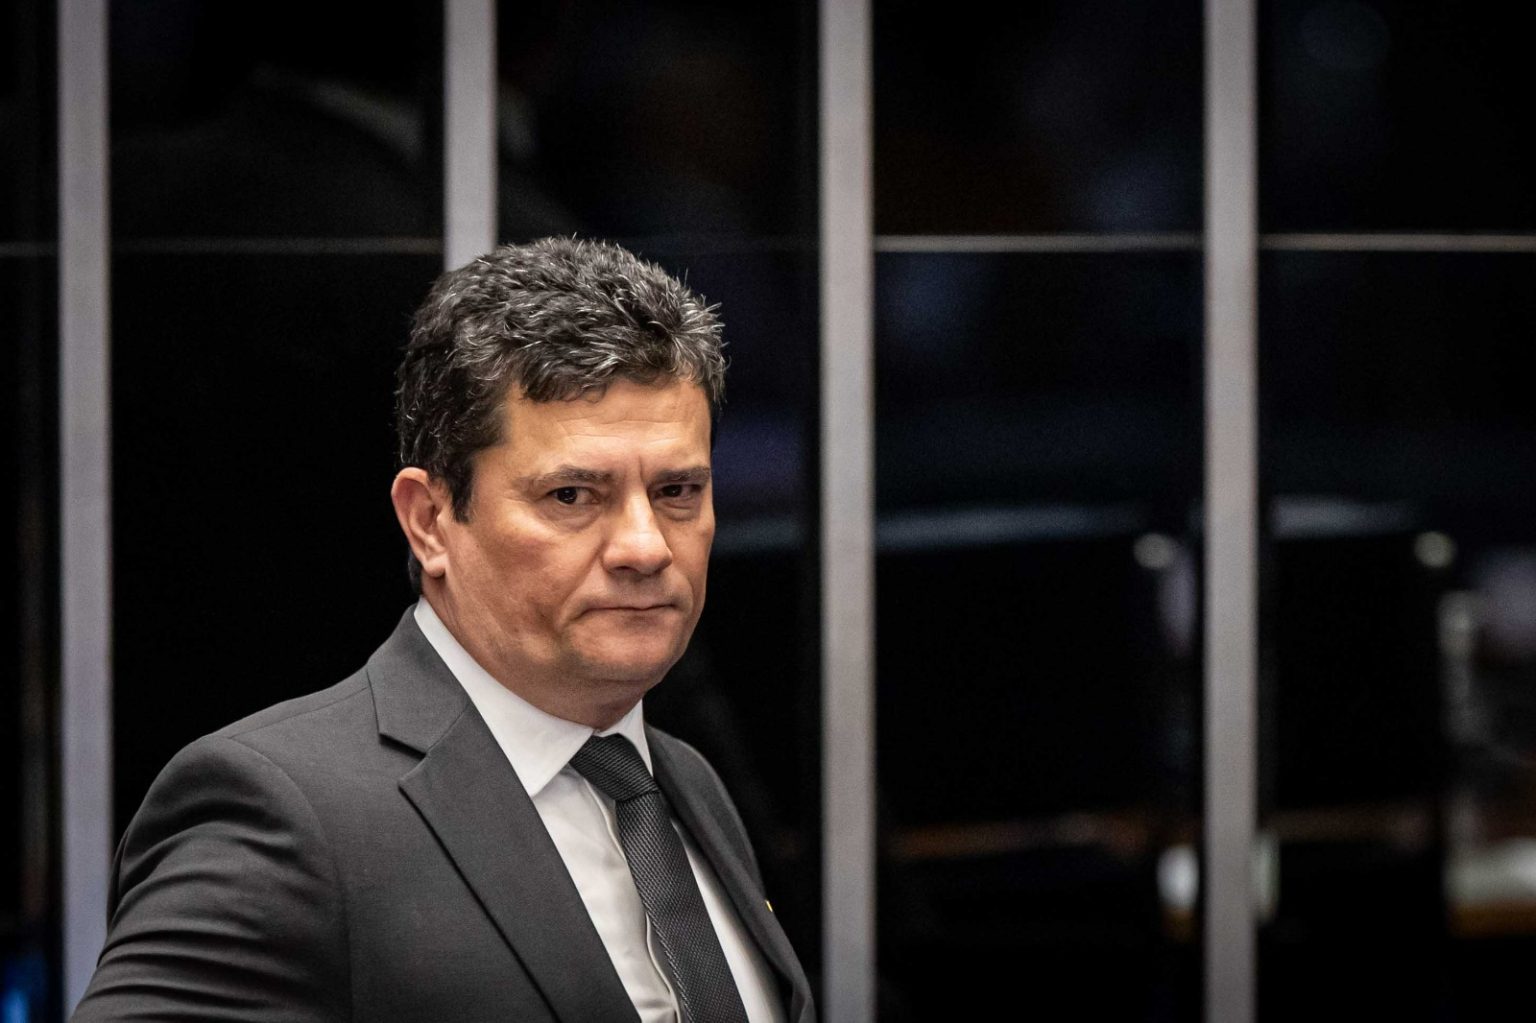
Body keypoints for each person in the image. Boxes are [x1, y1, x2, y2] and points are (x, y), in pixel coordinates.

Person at [72, 237, 814, 1022]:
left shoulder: (682, 782)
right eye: (571, 496)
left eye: (677, 491)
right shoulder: (285, 813)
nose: (645, 546)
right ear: (429, 521)